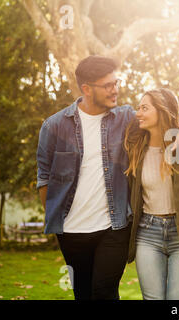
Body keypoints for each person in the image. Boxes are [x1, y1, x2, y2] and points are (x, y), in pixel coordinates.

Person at [36, 55, 134, 300]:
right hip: (71, 231)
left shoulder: (125, 118)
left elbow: (161, 119)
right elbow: (44, 177)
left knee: (104, 291)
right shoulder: (54, 126)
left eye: (116, 83)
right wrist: (59, 218)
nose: (115, 90)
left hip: (114, 226)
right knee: (82, 293)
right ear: (87, 89)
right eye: (108, 85)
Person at [124, 88, 179, 300]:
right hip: (148, 233)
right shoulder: (135, 149)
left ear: (162, 111)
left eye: (144, 108)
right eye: (138, 108)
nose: (138, 113)